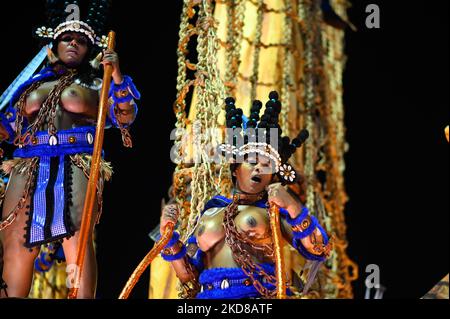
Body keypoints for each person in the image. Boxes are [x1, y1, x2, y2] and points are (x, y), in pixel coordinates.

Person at [0, 0, 140, 298]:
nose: (74, 44)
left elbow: (124, 115)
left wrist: (115, 74)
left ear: (91, 49)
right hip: (27, 162)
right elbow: (10, 128)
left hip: (75, 160)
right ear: (54, 44)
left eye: (81, 41)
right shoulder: (30, 86)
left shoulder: (97, 84)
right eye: (67, 38)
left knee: (76, 236)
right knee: (15, 240)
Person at [160, 92, 331, 299]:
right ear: (235, 169)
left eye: (266, 165)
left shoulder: (274, 212)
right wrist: (168, 237)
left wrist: (293, 207)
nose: (258, 168)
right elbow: (188, 275)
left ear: (273, 176)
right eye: (251, 161)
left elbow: (319, 248)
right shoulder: (210, 210)